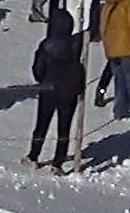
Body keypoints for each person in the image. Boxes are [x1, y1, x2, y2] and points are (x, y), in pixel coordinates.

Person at [26, 9, 87, 170]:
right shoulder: (77, 45)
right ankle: (58, 162)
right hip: (69, 93)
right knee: (64, 129)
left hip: (49, 90)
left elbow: (38, 71)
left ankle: (33, 155)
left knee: (41, 125)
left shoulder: (46, 46)